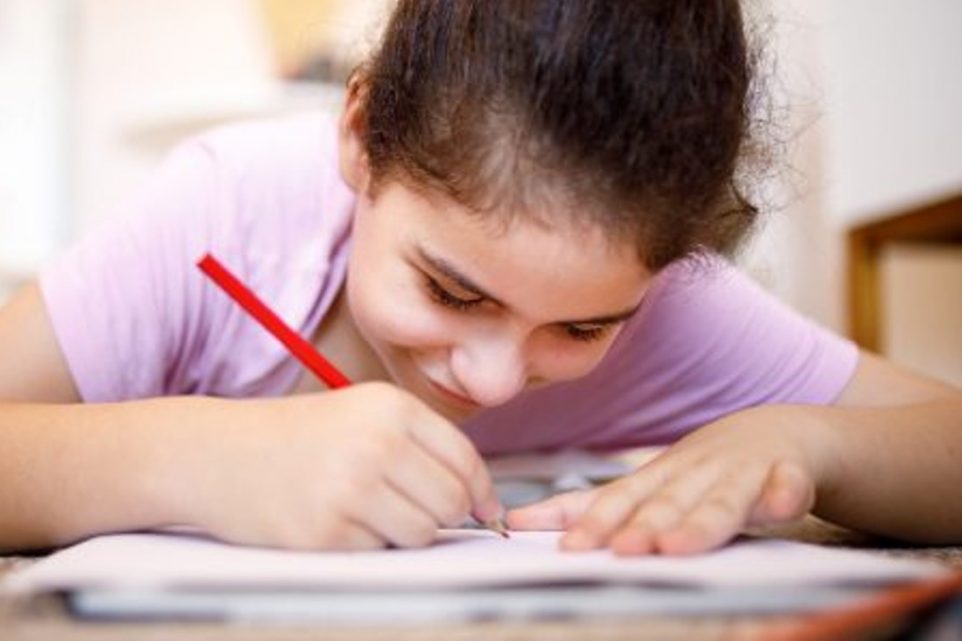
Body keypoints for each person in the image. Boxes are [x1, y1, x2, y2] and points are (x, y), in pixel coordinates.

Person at [0, 0, 959, 557]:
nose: (495, 381)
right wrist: (202, 455)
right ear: (362, 137)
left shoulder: (665, 309)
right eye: (454, 292)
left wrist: (809, 442)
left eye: (582, 329)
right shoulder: (223, 216)